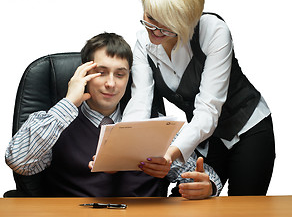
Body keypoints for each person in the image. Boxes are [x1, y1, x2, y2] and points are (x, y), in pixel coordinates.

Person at [5, 32, 221, 199]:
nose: (111, 84)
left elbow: (205, 175)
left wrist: (207, 186)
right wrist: (69, 101)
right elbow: (19, 162)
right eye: (101, 72)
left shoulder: (155, 125)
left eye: (120, 74)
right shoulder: (56, 121)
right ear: (84, 73)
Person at [122, 0, 275, 196]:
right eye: (150, 19)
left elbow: (208, 109)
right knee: (190, 200)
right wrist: (120, 147)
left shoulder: (212, 30)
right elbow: (139, 104)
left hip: (248, 128)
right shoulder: (142, 44)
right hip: (206, 139)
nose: (155, 31)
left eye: (168, 24)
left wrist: (169, 155)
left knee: (245, 207)